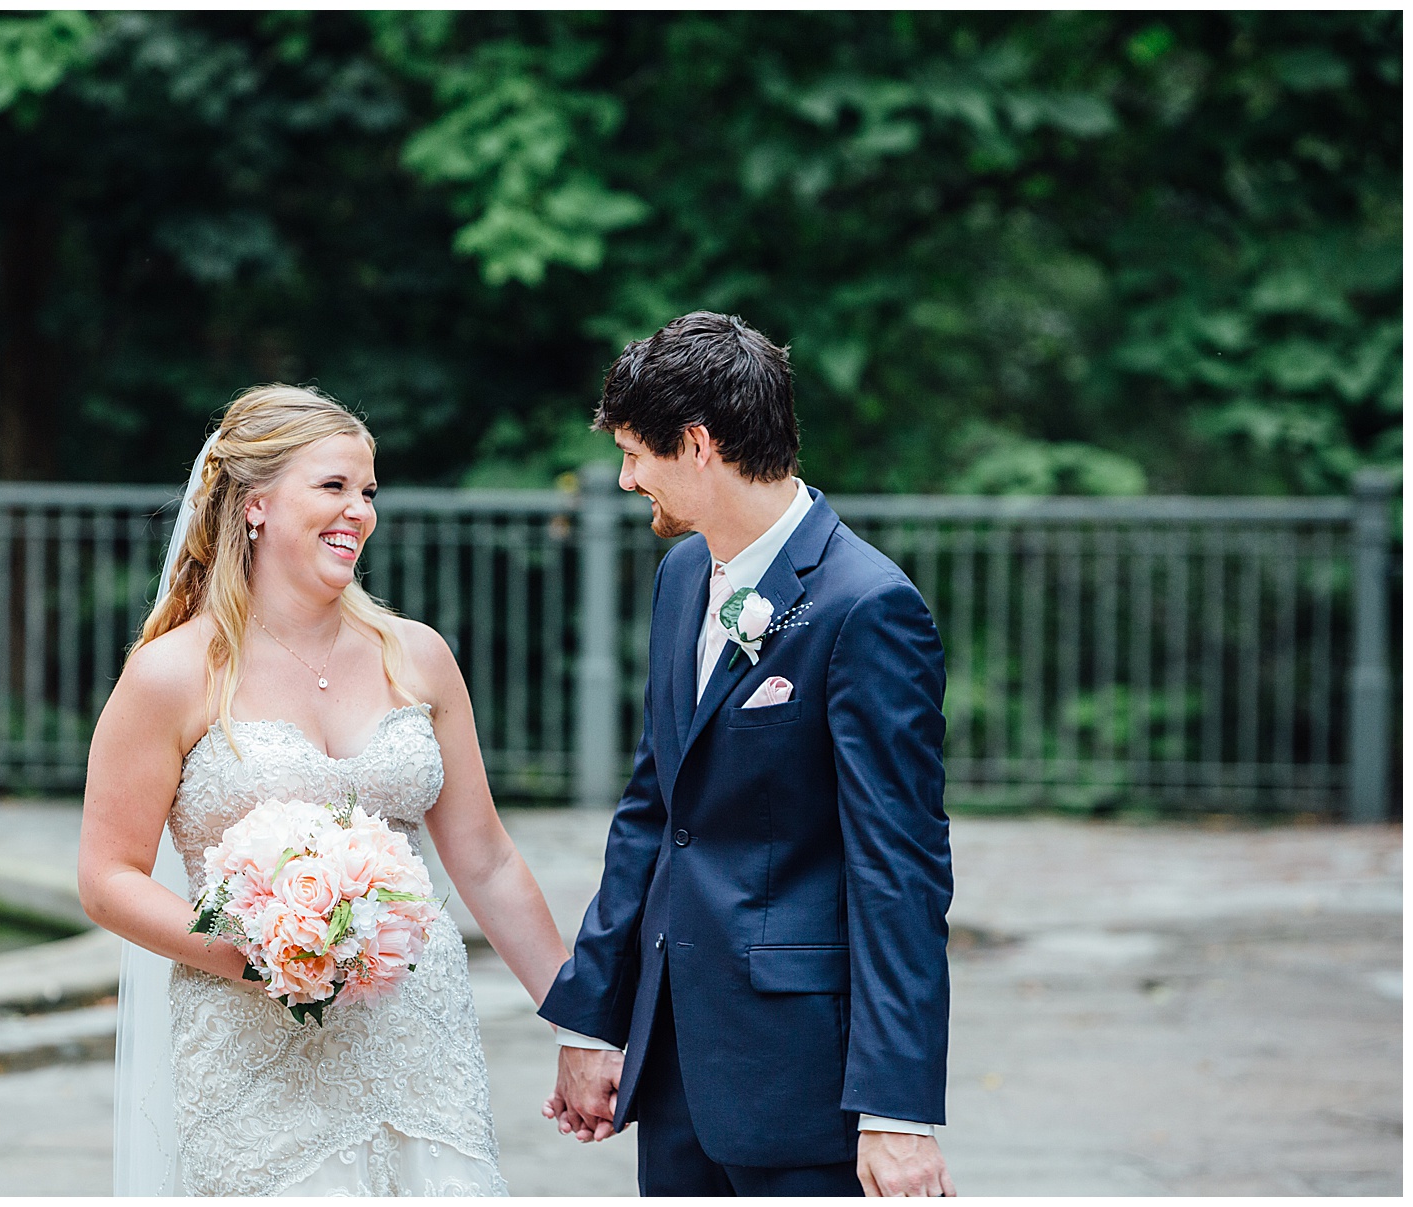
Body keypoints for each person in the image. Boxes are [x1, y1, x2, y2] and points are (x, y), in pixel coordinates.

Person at [78, 385, 572, 1196]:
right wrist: (265, 954)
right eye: (334, 486)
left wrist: (578, 1016)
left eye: (368, 490)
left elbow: (483, 860)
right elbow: (107, 877)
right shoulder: (172, 674)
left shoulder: (417, 657)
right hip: (253, 1060)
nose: (359, 510)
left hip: (420, 1045)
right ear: (255, 504)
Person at [538, 313, 957, 1197]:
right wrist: (593, 1022)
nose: (624, 478)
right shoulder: (682, 576)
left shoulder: (868, 606)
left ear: (695, 445)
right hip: (676, 1065)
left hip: (804, 1084)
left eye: (634, 454)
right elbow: (656, 808)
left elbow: (899, 871)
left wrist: (896, 1111)